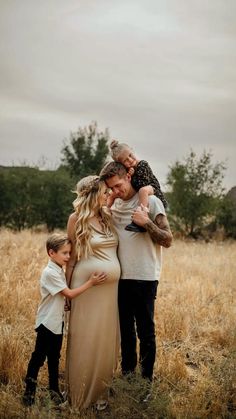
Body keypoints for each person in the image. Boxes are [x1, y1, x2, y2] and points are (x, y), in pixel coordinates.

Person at [100, 162, 172, 395]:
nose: (117, 191)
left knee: (145, 332)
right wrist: (107, 203)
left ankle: (146, 384)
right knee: (126, 333)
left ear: (128, 177)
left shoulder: (150, 202)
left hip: (145, 277)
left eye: (119, 185)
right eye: (112, 188)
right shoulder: (115, 205)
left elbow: (168, 239)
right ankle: (128, 378)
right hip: (120, 278)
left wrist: (146, 222)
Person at [22, 233, 106, 407]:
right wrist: (91, 282)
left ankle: (54, 391)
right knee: (38, 358)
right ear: (51, 253)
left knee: (54, 358)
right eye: (65, 253)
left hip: (57, 323)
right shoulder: (50, 272)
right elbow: (68, 293)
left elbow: (60, 296)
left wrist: (63, 304)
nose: (68, 256)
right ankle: (28, 393)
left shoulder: (58, 269)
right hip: (47, 323)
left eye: (69, 253)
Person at [65, 175, 121, 410]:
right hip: (87, 289)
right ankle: (79, 394)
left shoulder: (107, 216)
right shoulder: (76, 219)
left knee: (105, 340)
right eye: (104, 192)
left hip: (110, 293)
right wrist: (67, 292)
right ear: (92, 194)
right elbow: (70, 259)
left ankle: (101, 393)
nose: (108, 194)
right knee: (85, 338)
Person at [109, 139, 168, 232]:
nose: (130, 160)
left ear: (132, 151)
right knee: (112, 194)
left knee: (142, 191)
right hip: (143, 188)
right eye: (125, 161)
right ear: (121, 165)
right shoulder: (128, 171)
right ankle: (105, 212)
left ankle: (142, 216)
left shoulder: (142, 164)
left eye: (130, 155)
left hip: (152, 188)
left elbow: (141, 184)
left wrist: (132, 175)